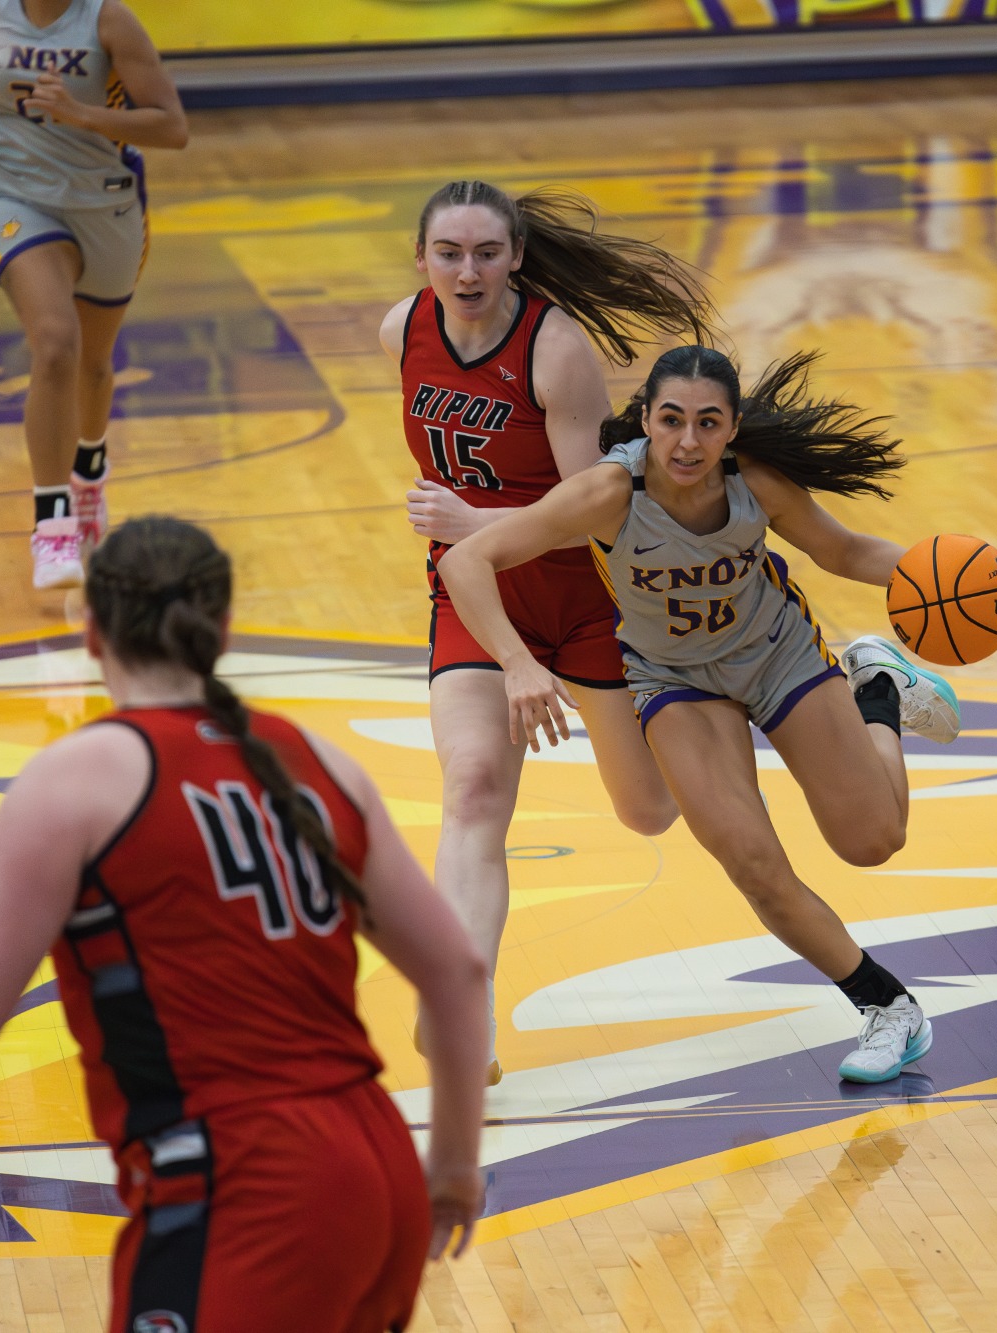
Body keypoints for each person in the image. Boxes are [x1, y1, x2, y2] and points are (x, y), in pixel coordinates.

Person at [0, 518, 490, 1331]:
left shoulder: (80, 777)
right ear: (222, 628)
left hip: (242, 1183)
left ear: (91, 632)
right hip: (377, 1173)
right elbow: (459, 970)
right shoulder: (315, 758)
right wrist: (450, 1167)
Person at [440, 346, 974, 1082]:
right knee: (753, 865)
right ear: (648, 422)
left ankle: (877, 686)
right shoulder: (607, 493)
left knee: (873, 841)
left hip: (776, 653)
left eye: (706, 422)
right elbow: (463, 560)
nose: (687, 441)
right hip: (675, 681)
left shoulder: (756, 482)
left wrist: (954, 575)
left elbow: (843, 549)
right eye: (671, 421)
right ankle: (887, 1006)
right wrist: (518, 663)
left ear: (732, 429)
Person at [380, 180, 711, 1084]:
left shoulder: (556, 351)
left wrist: (470, 517)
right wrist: (473, 548)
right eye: (449, 252)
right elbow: (463, 541)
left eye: (487, 252)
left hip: (588, 601)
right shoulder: (400, 331)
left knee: (649, 812)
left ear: (517, 257)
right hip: (477, 597)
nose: (468, 270)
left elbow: (588, 514)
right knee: (474, 788)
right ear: (422, 259)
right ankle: (463, 1005)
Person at [0, 0, 188, 589]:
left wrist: (81, 114)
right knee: (55, 343)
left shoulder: (109, 20)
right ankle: (52, 525)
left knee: (92, 365)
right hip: (13, 192)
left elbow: (171, 126)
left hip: (106, 199)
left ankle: (90, 469)